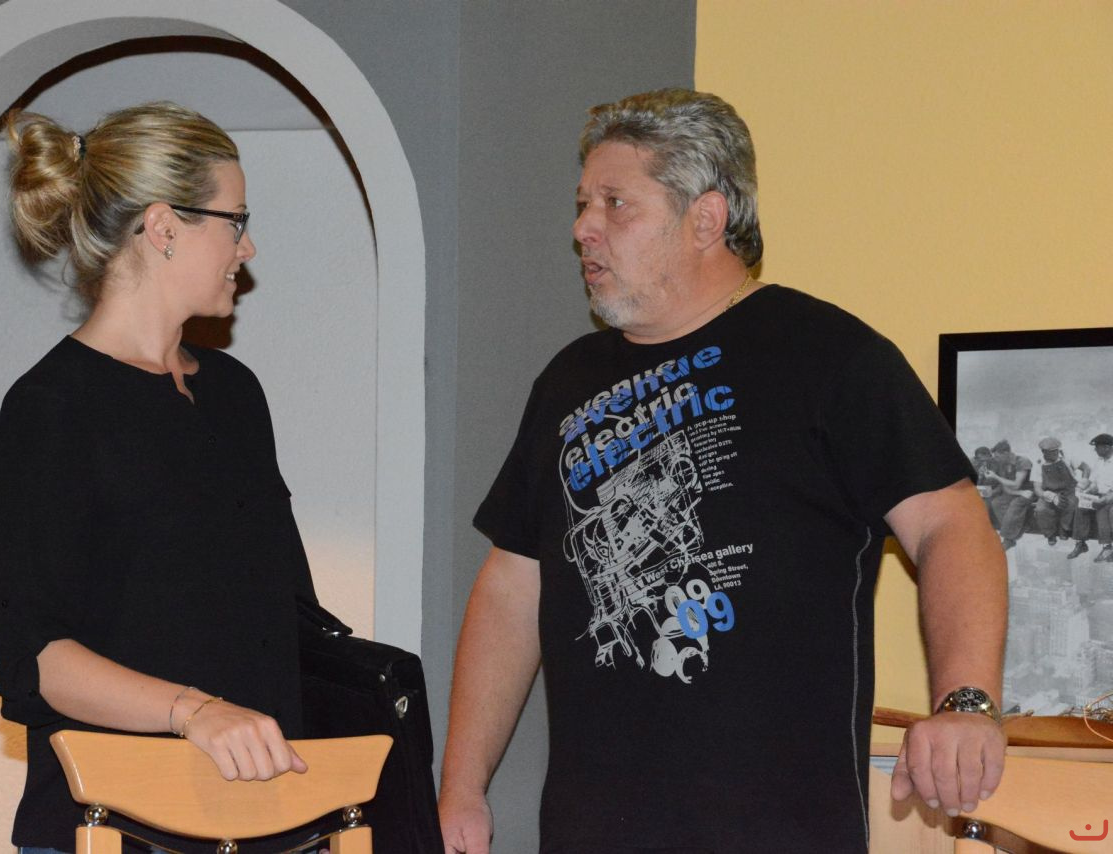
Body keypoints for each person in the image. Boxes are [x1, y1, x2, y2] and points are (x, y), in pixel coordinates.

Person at [438, 88, 1008, 854]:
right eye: (582, 205)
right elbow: (513, 585)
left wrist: (966, 702)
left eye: (616, 204)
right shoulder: (567, 383)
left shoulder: (830, 357)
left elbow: (951, 522)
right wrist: (461, 787)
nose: (583, 229)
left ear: (706, 219)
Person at [0, 103, 325, 854]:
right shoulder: (52, 407)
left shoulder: (235, 393)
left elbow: (283, 619)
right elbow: (37, 659)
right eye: (235, 221)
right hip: (108, 823)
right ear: (165, 226)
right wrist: (194, 712)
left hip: (256, 821)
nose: (248, 246)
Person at [1069, 433, 1113, 561]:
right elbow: (1094, 482)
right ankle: (1080, 543)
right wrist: (1087, 492)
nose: (1095, 450)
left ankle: (1107, 547)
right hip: (1100, 494)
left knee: (1102, 509)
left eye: (1097, 447)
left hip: (1111, 496)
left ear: (1107, 447)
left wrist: (1105, 499)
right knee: (1081, 507)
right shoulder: (1099, 462)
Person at [983, 440, 1034, 550]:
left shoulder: (1022, 461)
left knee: (1015, 505)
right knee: (996, 503)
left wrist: (995, 477)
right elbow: (1005, 486)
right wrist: (1018, 492)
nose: (996, 459)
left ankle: (1008, 540)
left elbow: (1016, 484)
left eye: (997, 456)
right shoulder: (1003, 464)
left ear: (1006, 453)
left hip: (1029, 493)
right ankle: (1016, 530)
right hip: (1017, 493)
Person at [1033, 437, 1078, 546]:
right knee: (1041, 509)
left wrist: (1085, 480)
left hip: (1068, 491)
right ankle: (1050, 534)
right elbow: (1037, 488)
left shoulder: (1067, 458)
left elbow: (1086, 468)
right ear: (1043, 452)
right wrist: (1051, 497)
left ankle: (1064, 529)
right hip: (1048, 492)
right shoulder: (1038, 464)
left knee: (1071, 504)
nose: (1055, 454)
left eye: (1056, 451)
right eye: (1051, 452)